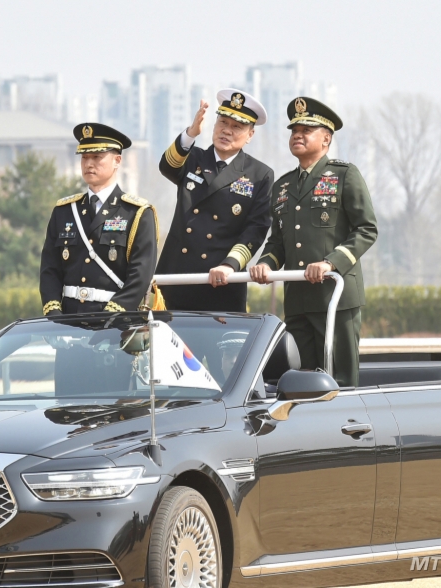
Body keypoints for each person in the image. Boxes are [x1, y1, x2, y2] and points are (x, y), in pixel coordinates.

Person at [249, 97, 378, 387]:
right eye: (294, 131)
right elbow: (278, 241)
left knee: (340, 381)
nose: (298, 135)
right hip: (297, 300)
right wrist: (265, 264)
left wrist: (331, 263)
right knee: (301, 382)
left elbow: (367, 229)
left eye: (306, 130)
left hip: (335, 297)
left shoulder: (345, 175)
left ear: (326, 139)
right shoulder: (282, 185)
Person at [156, 89, 273, 311]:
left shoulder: (259, 174)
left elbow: (256, 229)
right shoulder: (193, 158)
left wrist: (230, 265)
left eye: (237, 127)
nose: (226, 130)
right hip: (177, 277)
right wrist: (191, 133)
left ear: (250, 135)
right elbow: (167, 167)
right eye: (223, 122)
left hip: (222, 281)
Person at [40, 123, 158, 316]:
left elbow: (141, 274)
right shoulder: (64, 211)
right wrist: (54, 313)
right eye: (84, 157)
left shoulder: (137, 213)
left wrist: (112, 316)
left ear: (117, 161)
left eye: (97, 157)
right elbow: (50, 268)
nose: (88, 164)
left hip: (114, 320)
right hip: (68, 320)